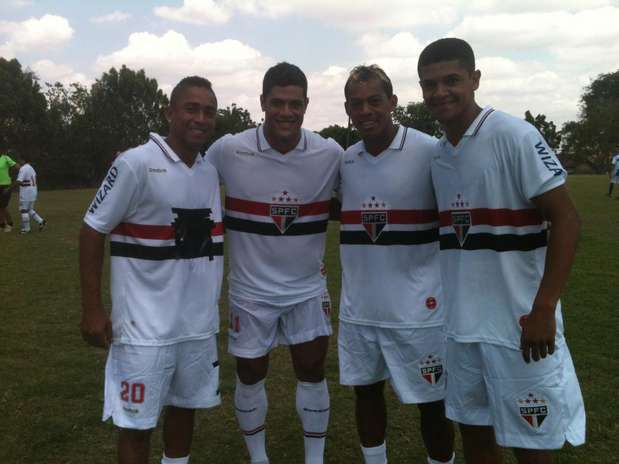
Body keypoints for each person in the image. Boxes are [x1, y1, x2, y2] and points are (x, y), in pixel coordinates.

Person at [417, 38, 585, 464]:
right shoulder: (438, 154)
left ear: (475, 79)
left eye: (451, 80)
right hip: (461, 326)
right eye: (429, 84)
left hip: (519, 325)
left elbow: (567, 219)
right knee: (475, 433)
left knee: (531, 443)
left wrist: (545, 307)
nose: (440, 92)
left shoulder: (514, 135)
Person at [79, 76, 224, 464]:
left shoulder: (209, 170)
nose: (200, 118)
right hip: (144, 331)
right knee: (136, 425)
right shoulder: (136, 162)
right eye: (191, 108)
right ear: (169, 112)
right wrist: (93, 309)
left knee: (184, 409)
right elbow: (93, 229)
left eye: (208, 111)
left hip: (196, 326)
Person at [206, 62, 342, 464]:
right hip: (250, 291)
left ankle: (314, 458)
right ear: (263, 102)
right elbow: (186, 170)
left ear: (306, 104)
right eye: (278, 103)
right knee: (249, 374)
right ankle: (258, 457)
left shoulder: (329, 152)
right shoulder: (229, 149)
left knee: (313, 370)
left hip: (307, 287)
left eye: (295, 104)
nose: (286, 112)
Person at [335, 64, 455, 464]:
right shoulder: (346, 160)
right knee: (366, 394)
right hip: (360, 311)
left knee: (433, 404)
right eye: (356, 103)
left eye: (374, 100)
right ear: (348, 109)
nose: (365, 110)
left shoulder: (429, 151)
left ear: (393, 102)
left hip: (419, 313)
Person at [16, 156, 46, 234]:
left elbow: (19, 181)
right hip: (33, 191)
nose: (18, 161)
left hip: (26, 192)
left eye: (19, 159)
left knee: (23, 210)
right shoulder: (31, 168)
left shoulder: (23, 169)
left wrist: (9, 188)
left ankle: (26, 229)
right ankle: (41, 221)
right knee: (29, 209)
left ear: (23, 160)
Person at [0, 150, 20, 232]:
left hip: (5, 186)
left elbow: (18, 167)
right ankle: (2, 225)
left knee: (3, 206)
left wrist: (21, 177)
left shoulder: (5, 158)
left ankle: (9, 224)